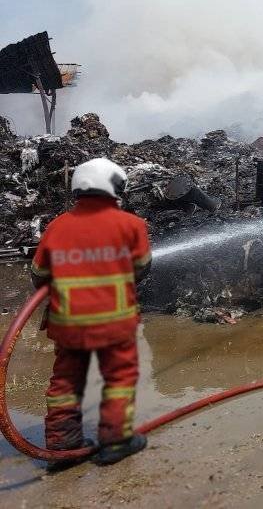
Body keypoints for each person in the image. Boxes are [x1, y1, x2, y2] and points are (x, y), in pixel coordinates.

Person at [30, 157, 152, 470]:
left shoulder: (57, 226)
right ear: (114, 186)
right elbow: (141, 268)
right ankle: (115, 443)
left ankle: (61, 445)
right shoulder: (130, 225)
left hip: (68, 325)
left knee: (65, 383)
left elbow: (39, 274)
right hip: (115, 325)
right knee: (120, 379)